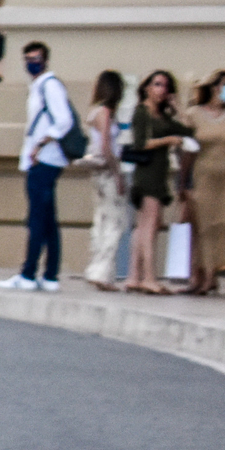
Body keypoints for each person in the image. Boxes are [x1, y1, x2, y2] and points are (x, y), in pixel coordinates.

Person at [0, 41, 74, 291]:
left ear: (46, 60)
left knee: (37, 220)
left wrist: (40, 144)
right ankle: (50, 275)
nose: (32, 63)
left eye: (36, 58)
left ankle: (28, 273)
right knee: (48, 219)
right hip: (42, 159)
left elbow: (63, 121)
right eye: (28, 58)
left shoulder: (49, 85)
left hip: (44, 160)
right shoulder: (40, 86)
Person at [126, 70, 192, 294]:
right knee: (149, 225)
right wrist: (168, 140)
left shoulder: (163, 117)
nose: (161, 90)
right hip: (147, 174)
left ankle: (134, 276)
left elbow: (189, 130)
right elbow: (141, 143)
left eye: (165, 86)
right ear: (146, 87)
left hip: (159, 173)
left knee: (144, 225)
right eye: (157, 84)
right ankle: (149, 277)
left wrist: (178, 106)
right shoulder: (141, 112)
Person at [185, 69, 225, 296]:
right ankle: (207, 277)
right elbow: (186, 150)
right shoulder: (194, 113)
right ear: (214, 87)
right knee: (205, 226)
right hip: (203, 174)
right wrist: (184, 182)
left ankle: (222, 267)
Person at [82, 70, 131, 291]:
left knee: (101, 218)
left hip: (97, 172)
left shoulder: (95, 112)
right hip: (108, 171)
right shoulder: (105, 113)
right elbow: (106, 147)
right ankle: (102, 272)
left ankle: (97, 269)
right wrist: (118, 174)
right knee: (115, 222)